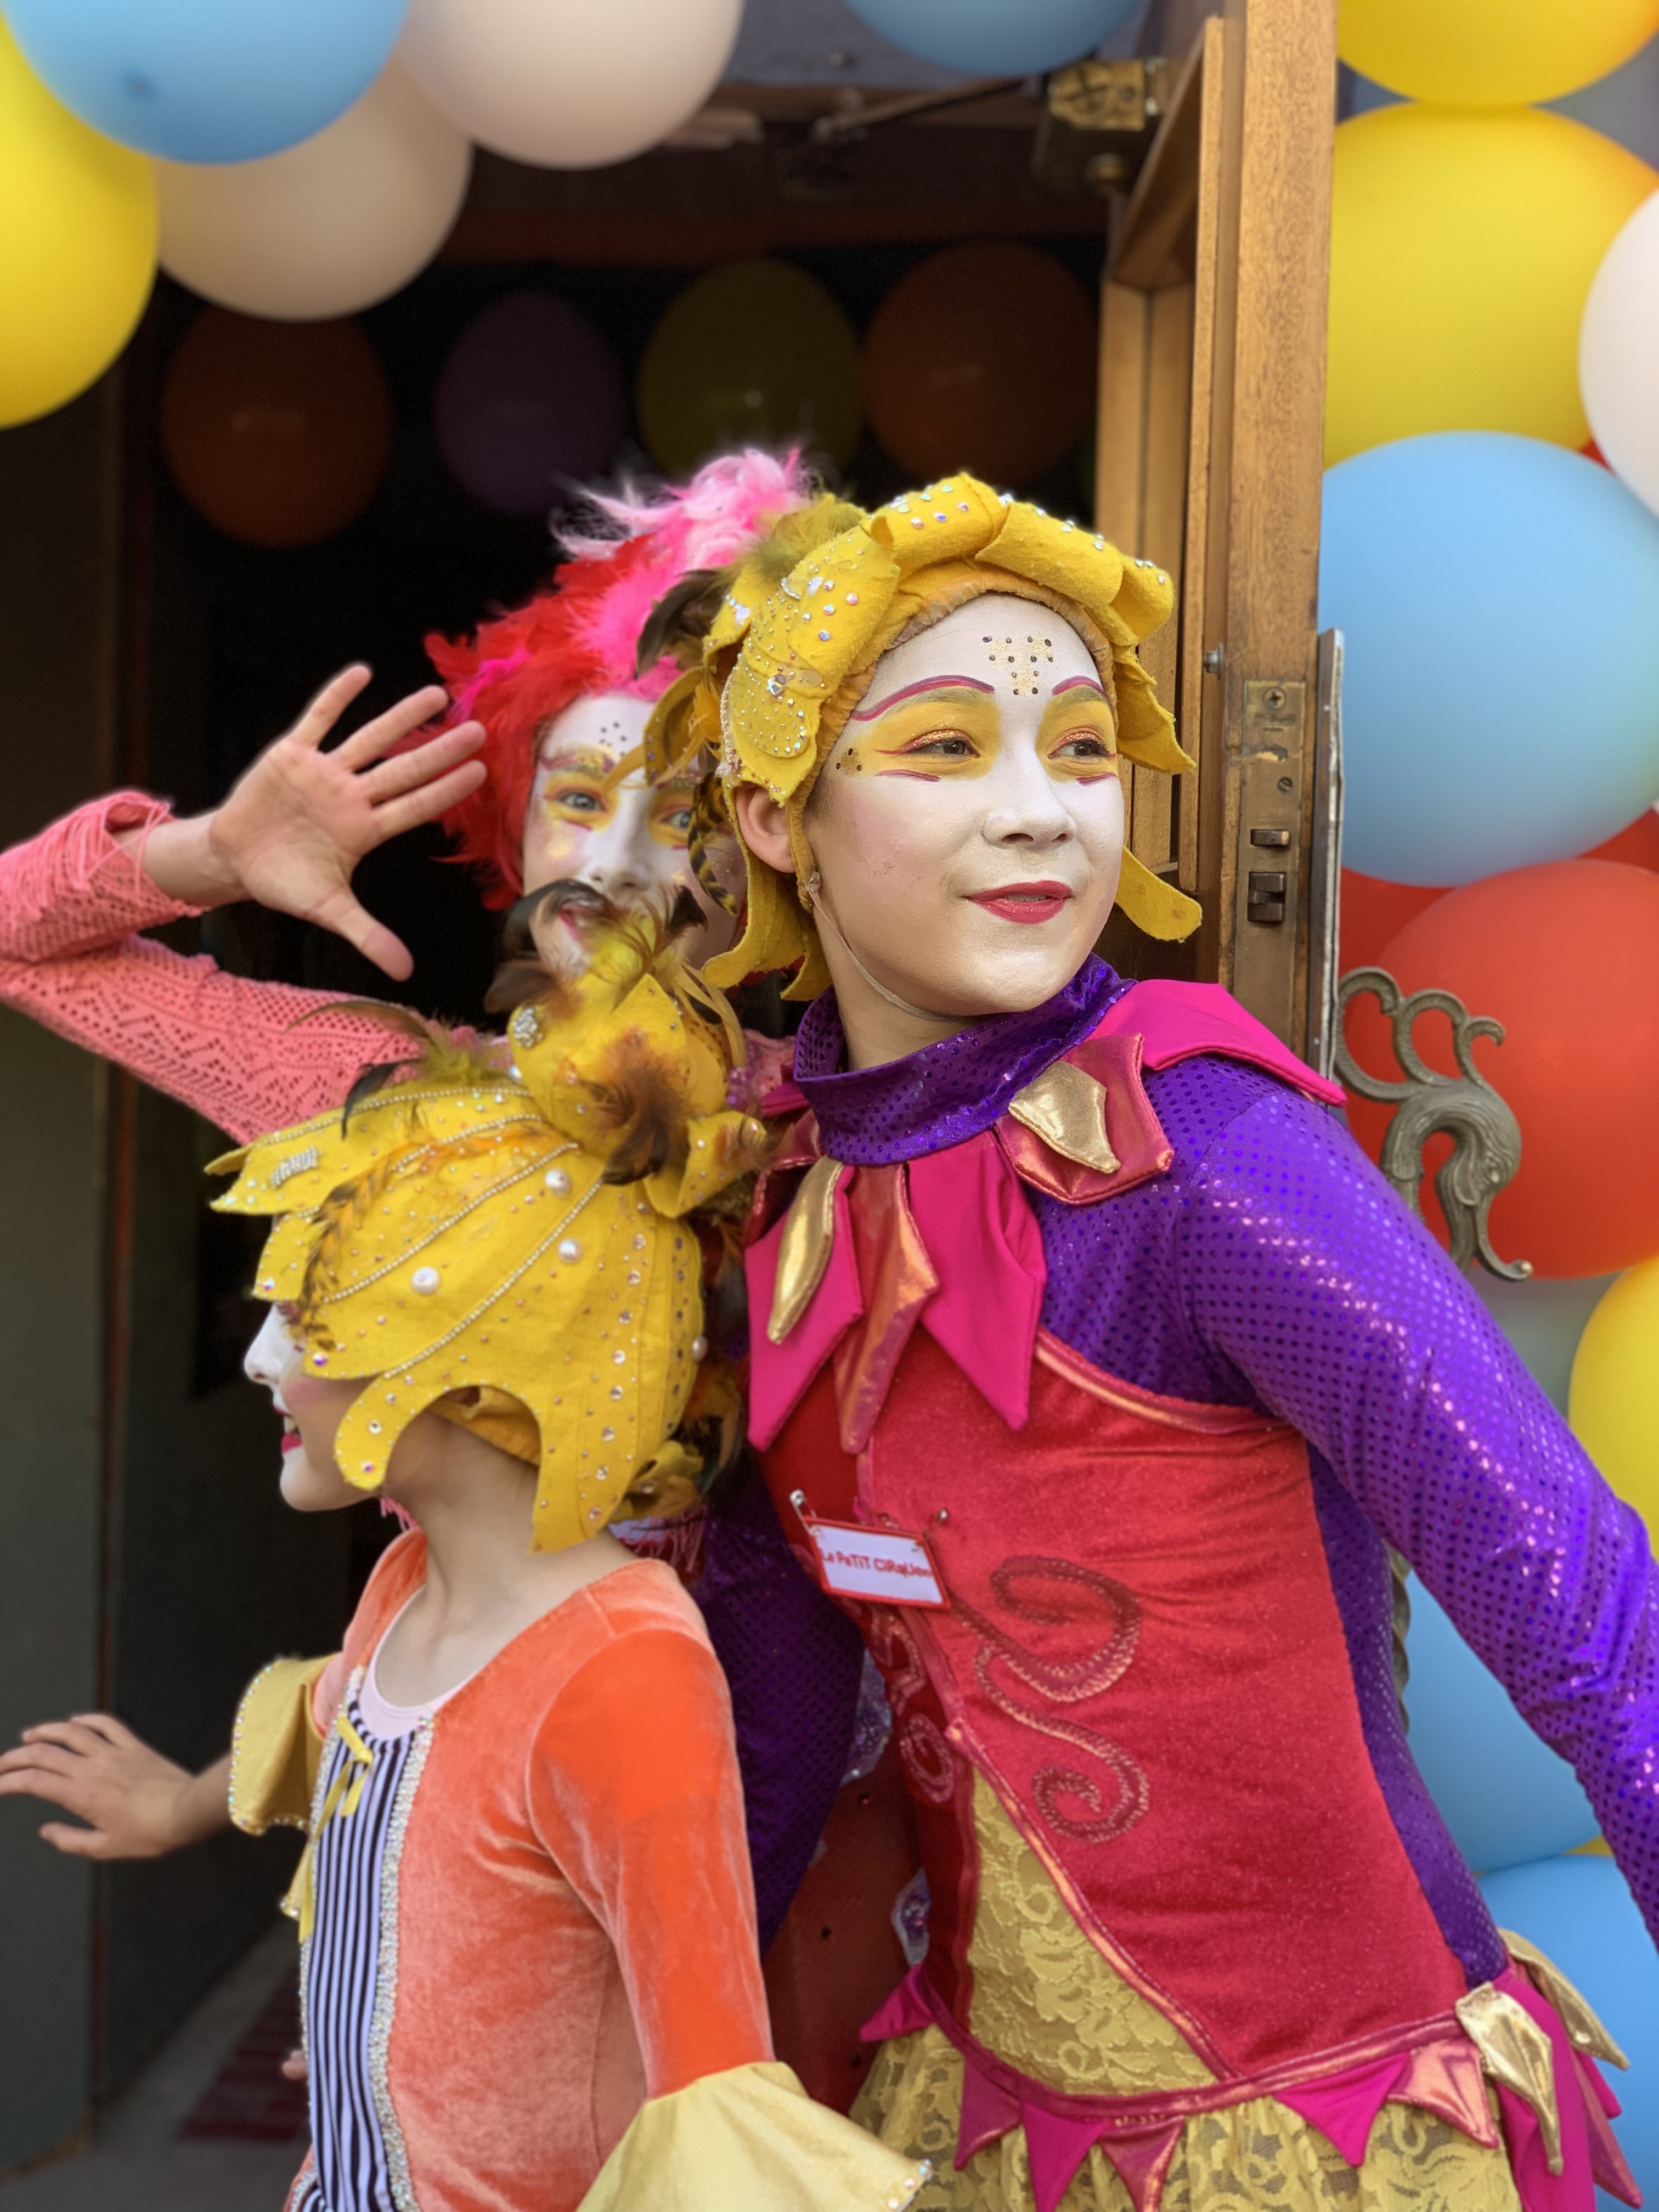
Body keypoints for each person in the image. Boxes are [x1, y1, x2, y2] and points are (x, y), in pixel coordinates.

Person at [629, 470, 1656, 2212]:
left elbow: (1589, 1614)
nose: (1043, 816)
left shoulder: (1208, 1163)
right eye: (946, 750)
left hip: (1341, 2144)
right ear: (775, 818)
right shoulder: (777, 1218)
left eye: (1085, 751)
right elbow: (771, 1759)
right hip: (989, 2139)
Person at [0, 449, 866, 1954]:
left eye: (680, 812)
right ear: (517, 829)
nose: (614, 862)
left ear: (769, 844)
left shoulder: (856, 1118)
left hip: (797, 1890)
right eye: (577, 799)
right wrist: (209, 854)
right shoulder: (382, 1101)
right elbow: (20, 944)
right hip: (490, 1873)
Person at [53, 901, 924, 2212]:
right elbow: (356, 1733)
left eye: (312, 1319)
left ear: (470, 1361)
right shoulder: (407, 1588)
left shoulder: (627, 1672)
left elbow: (709, 2095)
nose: (264, 1362)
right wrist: (183, 1806)